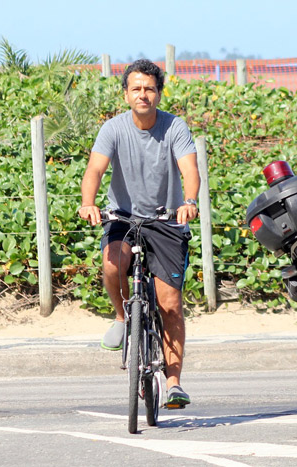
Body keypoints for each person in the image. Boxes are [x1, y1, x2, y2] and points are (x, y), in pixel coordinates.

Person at [79, 59, 200, 408]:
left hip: (165, 219)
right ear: (126, 94)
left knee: (170, 304)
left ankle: (174, 383)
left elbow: (190, 170)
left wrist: (189, 201)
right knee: (113, 262)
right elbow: (95, 170)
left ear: (158, 93)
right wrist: (89, 203)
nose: (142, 94)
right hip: (123, 217)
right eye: (136, 88)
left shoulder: (175, 127)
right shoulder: (113, 129)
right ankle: (121, 316)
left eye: (149, 88)